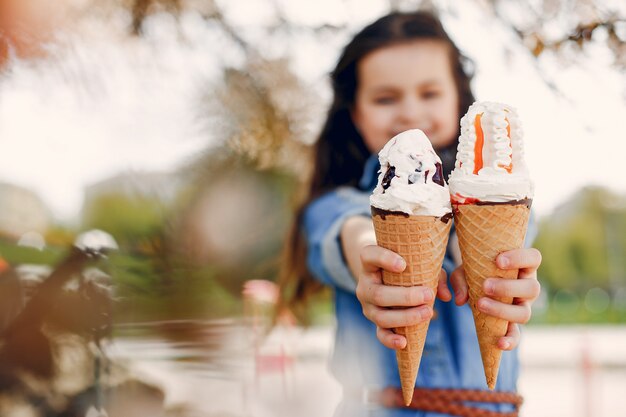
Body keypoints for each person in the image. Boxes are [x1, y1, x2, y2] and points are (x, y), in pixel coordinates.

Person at [278, 10, 542, 417]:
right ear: (355, 113)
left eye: (430, 93)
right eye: (385, 98)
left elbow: (514, 247)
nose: (409, 111)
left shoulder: (506, 195)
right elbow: (349, 233)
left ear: (459, 98)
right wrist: (373, 257)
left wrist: (507, 278)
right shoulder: (332, 205)